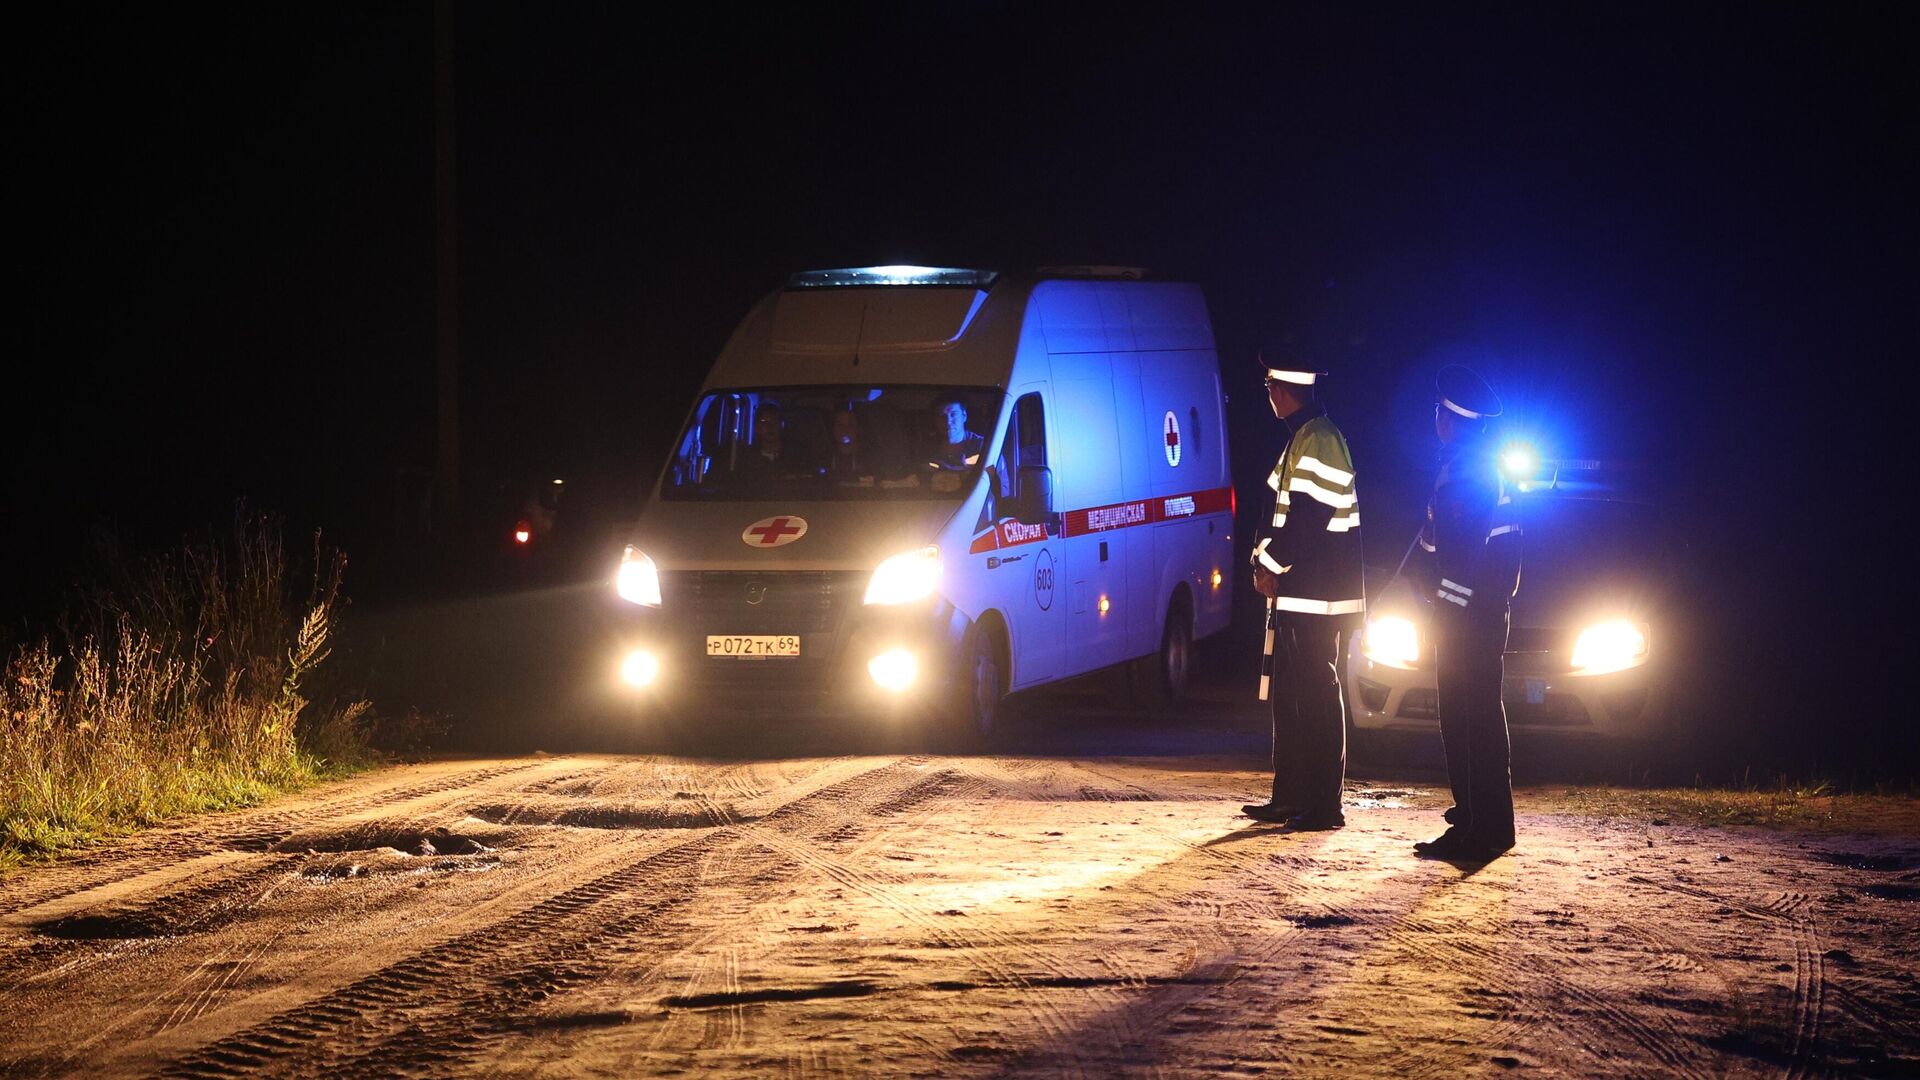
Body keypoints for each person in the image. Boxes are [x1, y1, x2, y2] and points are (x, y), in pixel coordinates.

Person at [1241, 359, 1365, 830]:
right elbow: (1273, 511)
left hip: (1319, 595)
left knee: (1315, 695)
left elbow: (1308, 522)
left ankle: (1322, 805)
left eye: (1270, 383)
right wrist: (1261, 564)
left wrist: (1269, 566)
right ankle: (1291, 795)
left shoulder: (1320, 439)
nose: (1267, 391)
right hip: (1299, 591)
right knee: (1291, 697)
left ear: (1285, 388)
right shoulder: (1303, 438)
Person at [1412, 364, 1523, 860]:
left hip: (1467, 618)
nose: (1433, 416)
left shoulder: (1467, 472)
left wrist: (1445, 607)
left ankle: (1483, 828)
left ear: (1448, 418)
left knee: (1468, 718)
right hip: (1476, 613)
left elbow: (1462, 559)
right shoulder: (1466, 467)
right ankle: (1477, 820)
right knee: (1469, 715)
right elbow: (1439, 544)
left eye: (1437, 409)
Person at [927, 395, 985, 471]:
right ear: (935, 420)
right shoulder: (928, 446)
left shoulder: (983, 446)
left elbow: (1000, 480)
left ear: (964, 416)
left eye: (953, 414)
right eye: (941, 415)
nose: (948, 421)